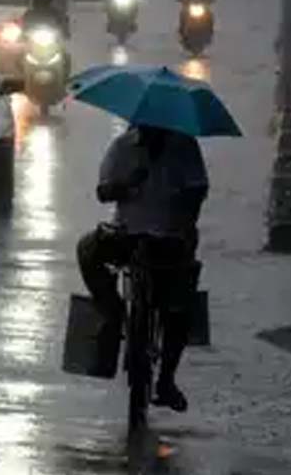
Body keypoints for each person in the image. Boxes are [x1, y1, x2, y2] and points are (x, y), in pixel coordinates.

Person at [77, 124, 209, 413]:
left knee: (180, 303)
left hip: (170, 240)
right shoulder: (123, 146)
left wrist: (183, 217)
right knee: (87, 250)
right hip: (127, 236)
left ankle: (166, 380)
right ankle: (112, 315)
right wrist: (126, 185)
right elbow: (103, 191)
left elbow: (199, 190)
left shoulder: (184, 147)